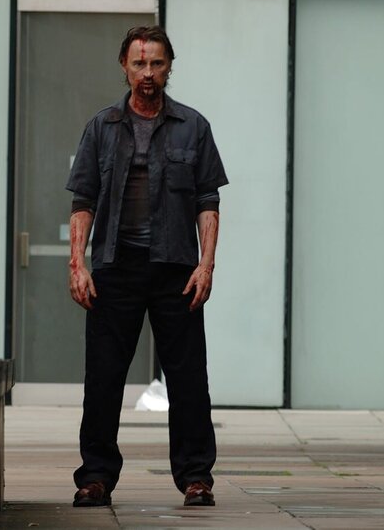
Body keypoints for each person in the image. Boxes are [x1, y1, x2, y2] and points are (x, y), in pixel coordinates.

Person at [65, 25, 228, 508]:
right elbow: (83, 200)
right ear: (124, 66)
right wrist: (78, 264)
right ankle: (95, 477)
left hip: (176, 269)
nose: (148, 73)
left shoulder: (193, 127)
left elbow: (207, 199)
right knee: (103, 377)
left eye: (157, 63)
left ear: (169, 66)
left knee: (188, 378)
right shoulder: (101, 127)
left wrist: (206, 265)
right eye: (139, 63)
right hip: (116, 268)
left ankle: (196, 477)